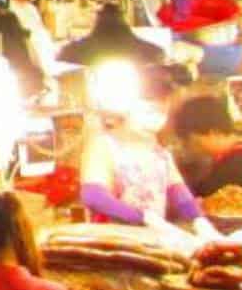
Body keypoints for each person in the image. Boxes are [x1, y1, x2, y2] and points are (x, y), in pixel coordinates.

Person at [81, 98, 211, 231]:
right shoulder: (104, 146)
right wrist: (142, 217)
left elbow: (179, 192)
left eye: (162, 111)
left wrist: (199, 221)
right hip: (113, 240)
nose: (156, 119)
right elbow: (93, 196)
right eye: (149, 110)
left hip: (151, 239)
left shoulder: (160, 152)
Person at [170, 93, 242, 198]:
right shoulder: (239, 153)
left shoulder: (240, 160)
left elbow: (205, 195)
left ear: (213, 132)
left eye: (193, 141)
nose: (191, 148)